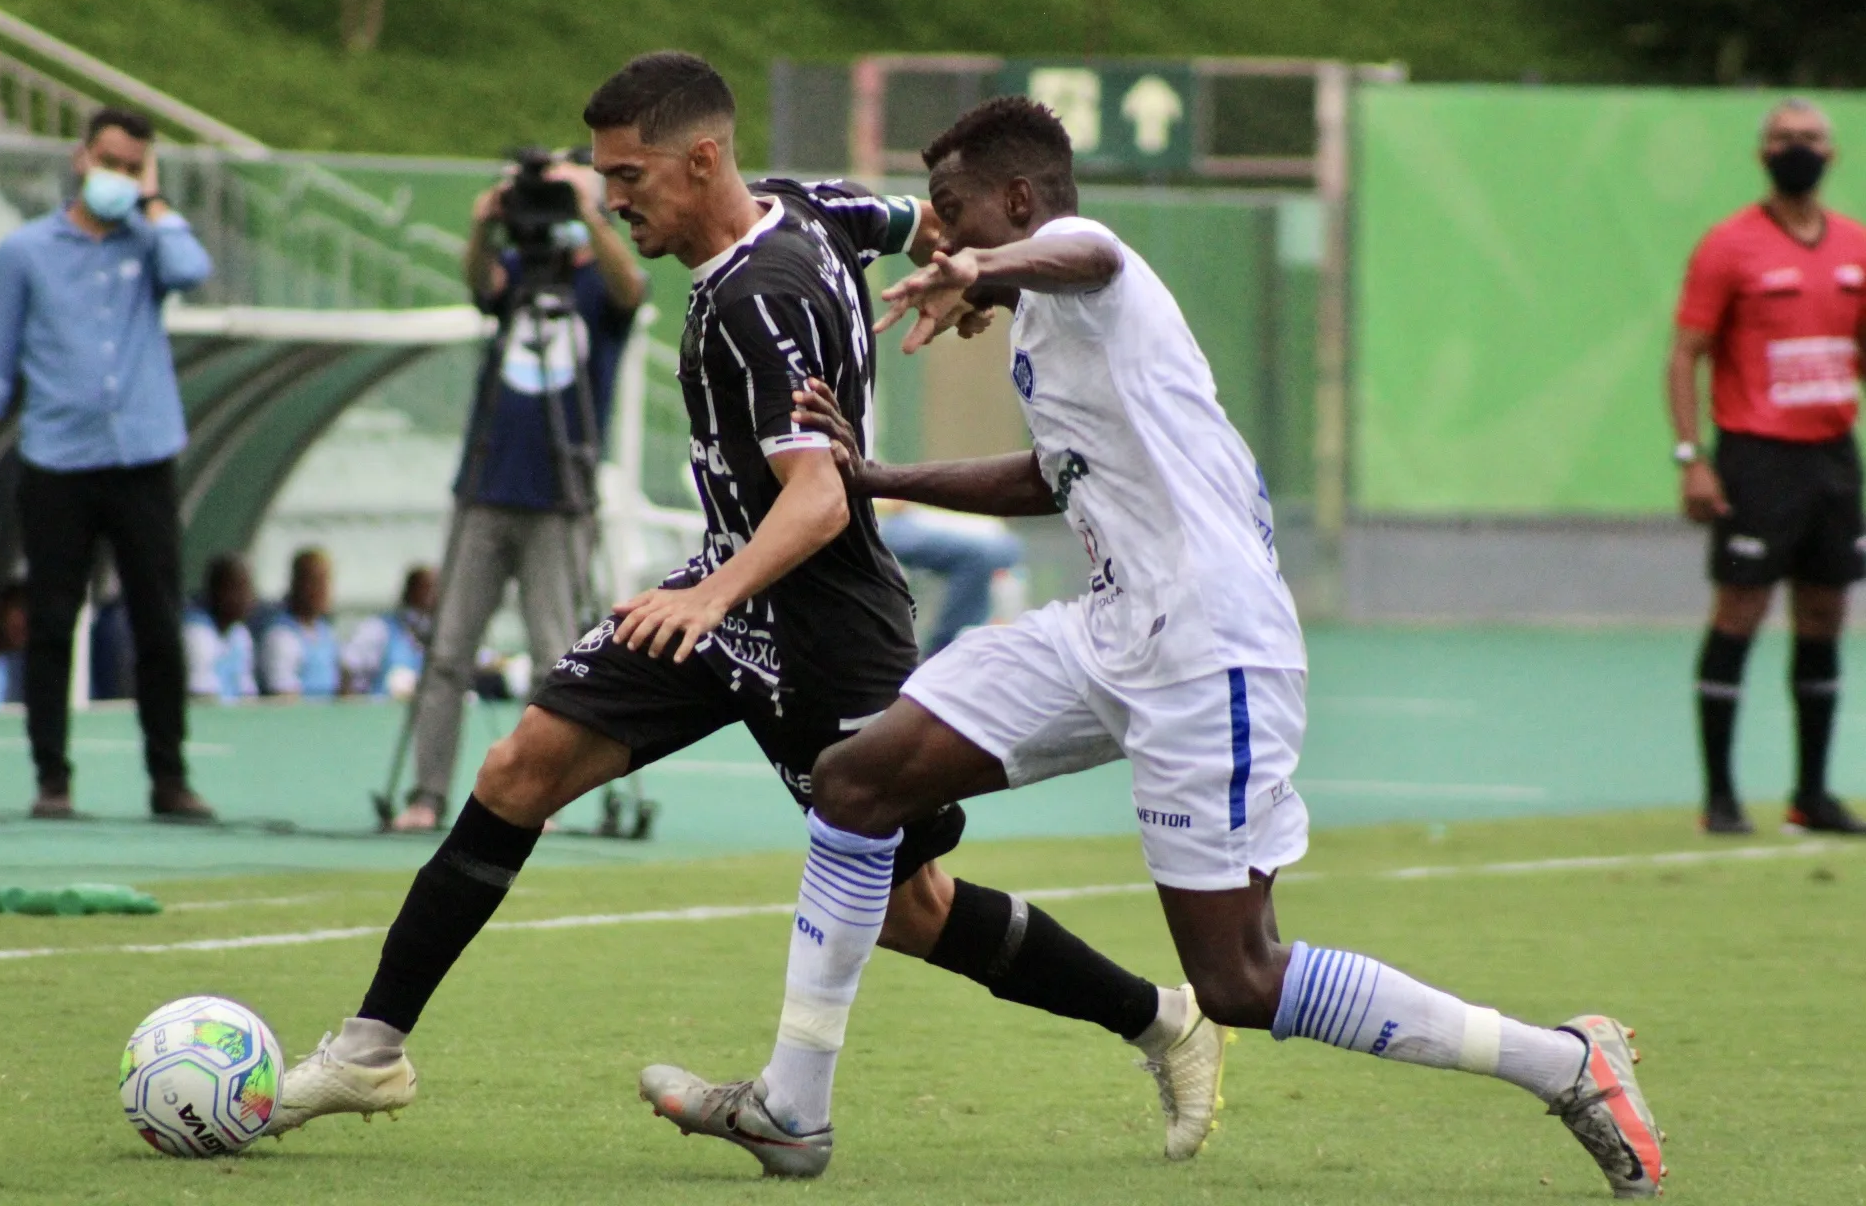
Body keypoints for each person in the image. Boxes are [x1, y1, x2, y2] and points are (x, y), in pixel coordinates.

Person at [648, 97, 1668, 1198]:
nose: (938, 236)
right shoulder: (1046, 328)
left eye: (955, 213)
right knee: (854, 784)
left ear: (1022, 201)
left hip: (1211, 642)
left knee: (1235, 976)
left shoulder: (1094, 266)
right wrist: (878, 478)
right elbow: (1051, 475)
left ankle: (1565, 1062)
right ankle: (793, 1110)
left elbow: (1082, 251)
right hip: (1111, 625)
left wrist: (986, 267)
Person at [263, 53, 1225, 1171]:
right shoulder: (810, 204)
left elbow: (818, 500)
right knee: (519, 769)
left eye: (630, 175)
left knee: (914, 906)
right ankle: (371, 1048)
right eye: (603, 176)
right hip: (726, 592)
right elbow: (912, 221)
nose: (614, 200)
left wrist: (711, 593)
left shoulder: (754, 301)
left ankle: (1162, 1017)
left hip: (822, 618)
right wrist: (968, 272)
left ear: (703, 157)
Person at [0, 105, 215, 821]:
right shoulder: (25, 252)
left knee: (157, 622)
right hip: (58, 461)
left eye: (133, 166)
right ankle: (52, 779)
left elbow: (194, 269)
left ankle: (168, 776)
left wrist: (154, 201)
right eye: (110, 162)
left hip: (143, 458)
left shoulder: (151, 243)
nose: (118, 178)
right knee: (51, 622)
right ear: (80, 157)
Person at [389, 155, 648, 831]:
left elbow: (633, 290)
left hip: (561, 498)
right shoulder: (517, 280)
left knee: (553, 654)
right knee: (447, 651)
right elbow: (480, 283)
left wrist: (586, 214)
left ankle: (539, 794)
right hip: (485, 489)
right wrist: (486, 227)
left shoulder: (596, 287)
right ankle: (427, 793)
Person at [1670, 97, 1866, 837]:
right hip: (1756, 456)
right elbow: (1684, 354)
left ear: (1833, 152)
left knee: (1826, 612)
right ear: (1762, 154)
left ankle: (1810, 795)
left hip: (1833, 458)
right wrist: (1693, 457)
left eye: (1810, 137)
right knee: (1740, 611)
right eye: (1784, 138)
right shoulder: (1729, 246)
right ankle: (1720, 796)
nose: (1798, 148)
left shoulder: (1856, 245)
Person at [878, 502, 1024, 656]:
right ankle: (946, 652)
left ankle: (979, 646)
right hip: (896, 520)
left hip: (958, 520)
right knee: (982, 554)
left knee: (1008, 547)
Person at [259, 547, 340, 698]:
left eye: (326, 581)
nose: (323, 590)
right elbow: (284, 697)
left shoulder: (326, 632)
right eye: (315, 581)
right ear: (297, 583)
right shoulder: (280, 636)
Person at [343, 566, 434, 698]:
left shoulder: (436, 633)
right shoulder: (378, 628)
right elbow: (348, 668)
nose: (433, 595)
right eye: (426, 588)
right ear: (410, 591)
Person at [183, 553, 258, 702]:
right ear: (216, 591)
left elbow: (248, 696)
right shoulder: (196, 634)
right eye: (238, 589)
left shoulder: (240, 635)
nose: (247, 598)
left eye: (248, 589)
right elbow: (202, 700)